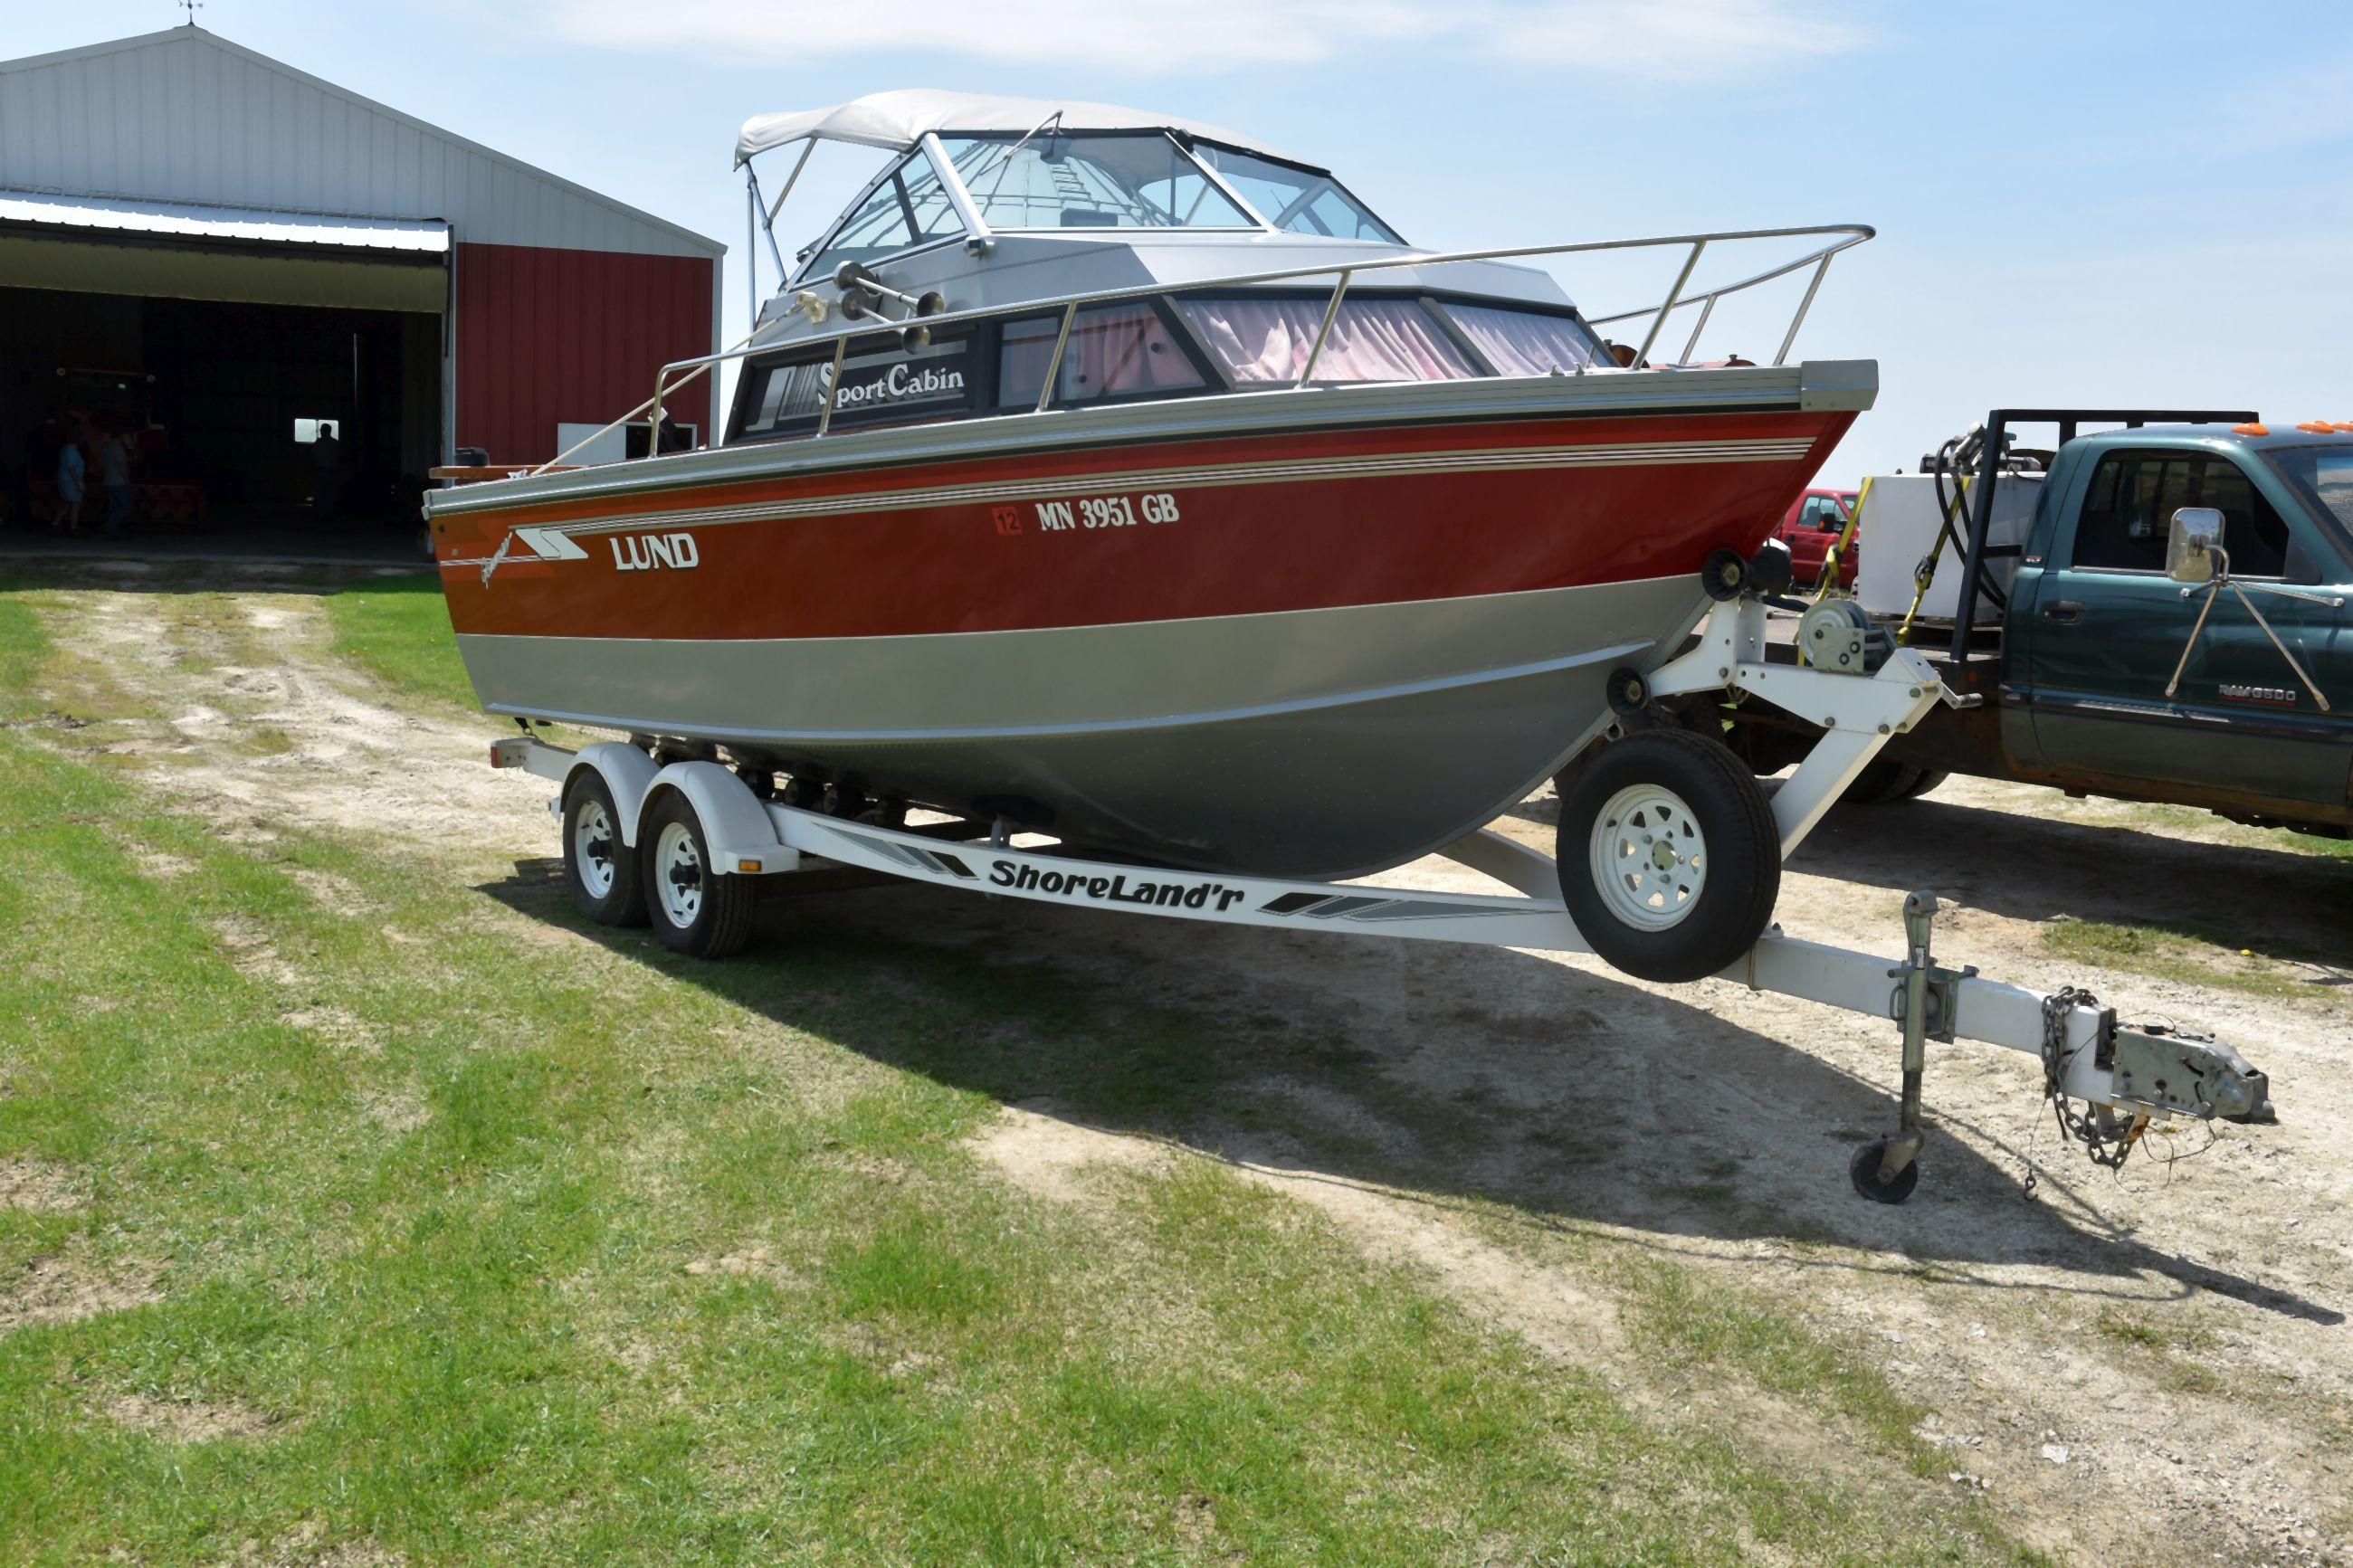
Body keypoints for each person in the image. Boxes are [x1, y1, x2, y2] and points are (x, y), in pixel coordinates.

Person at [100, 421, 135, 537]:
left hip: (109, 481)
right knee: (126, 505)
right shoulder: (118, 449)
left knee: (114, 505)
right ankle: (110, 525)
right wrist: (126, 479)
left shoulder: (108, 447)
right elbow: (122, 467)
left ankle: (112, 529)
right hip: (118, 482)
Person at [52, 425, 86, 534]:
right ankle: (73, 528)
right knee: (75, 504)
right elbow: (71, 467)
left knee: (66, 504)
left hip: (63, 480)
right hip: (71, 481)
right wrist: (79, 481)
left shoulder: (65, 449)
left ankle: (55, 523)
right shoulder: (72, 450)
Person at [310, 421, 345, 523]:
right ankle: (329, 514)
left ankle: (322, 515)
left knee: (321, 493)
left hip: (321, 471)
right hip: (332, 471)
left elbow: (313, 457)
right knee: (330, 493)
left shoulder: (318, 443)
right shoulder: (335, 443)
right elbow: (339, 458)